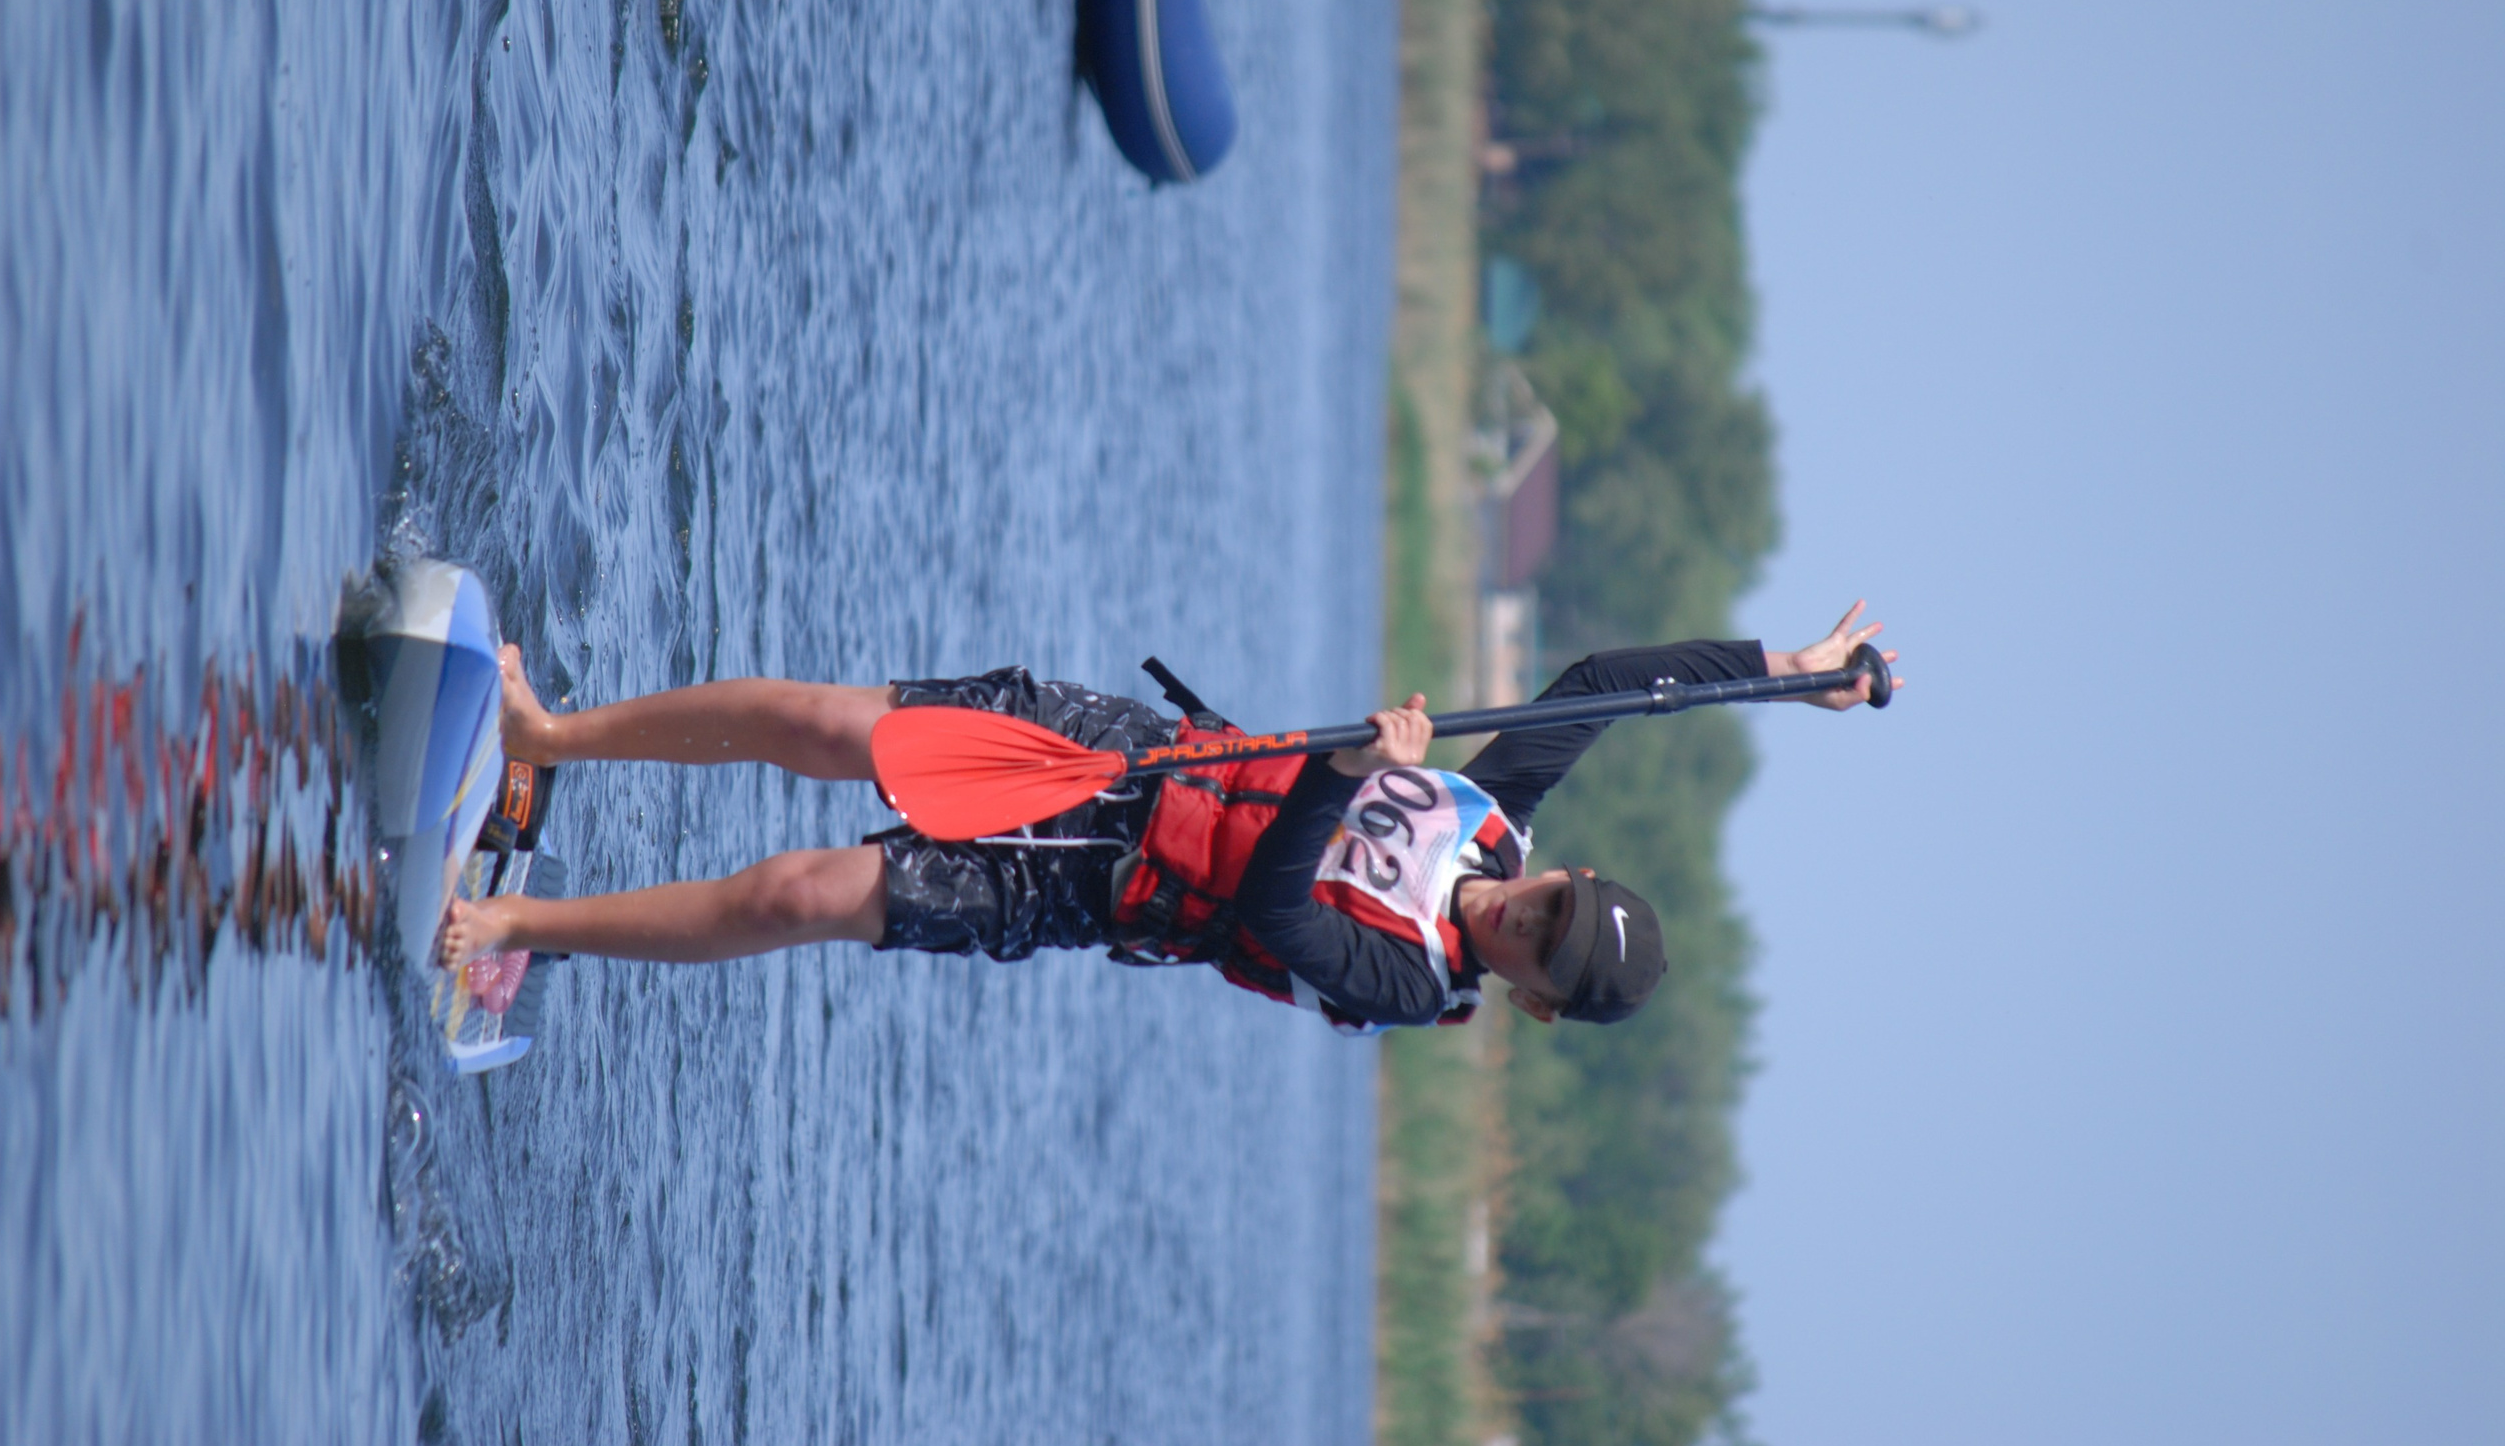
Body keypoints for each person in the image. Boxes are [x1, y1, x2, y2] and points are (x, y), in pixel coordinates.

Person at [439, 603, 1899, 1032]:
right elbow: (1607, 682)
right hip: (1128, 752)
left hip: (1104, 891)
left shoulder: (1406, 983)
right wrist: (1788, 674)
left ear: (1526, 996)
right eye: (1559, 906)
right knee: (838, 727)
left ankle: (512, 923)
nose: (1533, 921)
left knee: (803, 896)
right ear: (1563, 873)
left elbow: (1272, 918)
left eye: (1547, 952)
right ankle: (551, 730)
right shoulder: (1494, 805)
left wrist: (1334, 782)